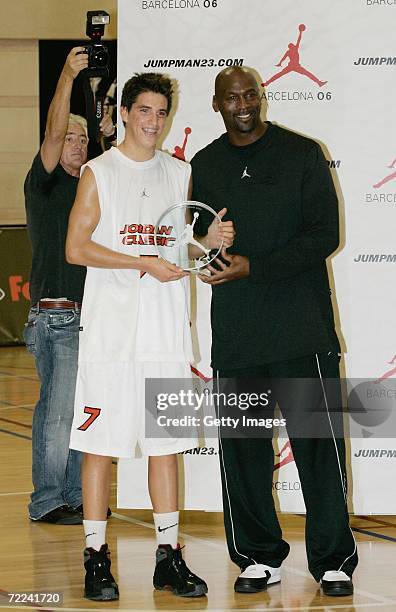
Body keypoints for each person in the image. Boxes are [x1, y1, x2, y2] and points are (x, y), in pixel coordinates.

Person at [190, 66, 358, 597]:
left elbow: (324, 235)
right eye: (231, 98)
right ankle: (258, 556)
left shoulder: (302, 153)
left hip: (301, 330)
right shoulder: (206, 162)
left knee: (318, 448)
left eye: (250, 95)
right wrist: (206, 242)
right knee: (243, 449)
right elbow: (195, 235)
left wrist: (252, 267)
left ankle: (332, 559)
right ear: (216, 104)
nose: (242, 104)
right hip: (238, 334)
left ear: (262, 97)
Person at [66, 72, 234, 601]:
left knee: (167, 448)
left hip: (164, 334)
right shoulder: (99, 172)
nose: (153, 122)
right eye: (144, 111)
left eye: (161, 113)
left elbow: (181, 247)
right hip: (111, 336)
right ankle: (95, 557)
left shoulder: (179, 173)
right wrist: (141, 264)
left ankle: (168, 557)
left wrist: (209, 241)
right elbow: (76, 248)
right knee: (99, 447)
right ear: (125, 114)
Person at [23, 47, 115, 525]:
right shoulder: (45, 184)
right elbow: (53, 130)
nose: (76, 145)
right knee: (59, 414)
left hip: (93, 317)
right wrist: (68, 74)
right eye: (70, 138)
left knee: (86, 413)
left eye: (84, 139)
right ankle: (47, 500)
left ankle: (78, 496)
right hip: (56, 317)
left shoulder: (92, 189)